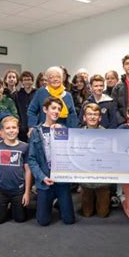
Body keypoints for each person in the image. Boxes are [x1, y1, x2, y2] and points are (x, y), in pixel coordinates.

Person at [28, 97, 75, 226]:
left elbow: (71, 153)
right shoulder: (36, 132)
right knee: (43, 221)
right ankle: (50, 200)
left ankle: (59, 202)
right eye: (53, 108)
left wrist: (62, 132)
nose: (56, 112)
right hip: (45, 179)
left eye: (59, 109)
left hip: (61, 179)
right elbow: (31, 159)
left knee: (69, 220)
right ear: (45, 109)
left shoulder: (63, 129)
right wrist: (42, 177)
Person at [0, 116, 31, 224]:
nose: (11, 130)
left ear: (18, 129)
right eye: (7, 128)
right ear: (2, 130)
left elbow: (28, 171)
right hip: (1, 190)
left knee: (20, 219)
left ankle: (15, 207)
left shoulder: (25, 147)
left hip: (18, 190)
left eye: (14, 127)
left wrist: (27, 193)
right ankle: (5, 207)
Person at [79, 103, 111, 218]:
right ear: (84, 117)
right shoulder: (77, 134)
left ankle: (109, 198)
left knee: (103, 214)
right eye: (89, 114)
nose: (92, 117)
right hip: (86, 180)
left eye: (95, 114)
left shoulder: (108, 135)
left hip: (102, 180)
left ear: (100, 118)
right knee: (86, 214)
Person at [28, 66, 78, 131]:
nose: (55, 79)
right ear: (48, 80)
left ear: (62, 79)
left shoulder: (68, 95)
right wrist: (31, 127)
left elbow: (72, 115)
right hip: (44, 130)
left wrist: (72, 130)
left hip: (62, 131)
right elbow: (32, 111)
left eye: (58, 77)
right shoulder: (41, 92)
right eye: (52, 77)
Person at [0, 78, 18, 146]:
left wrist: (10, 129)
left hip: (10, 128)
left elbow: (15, 117)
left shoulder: (9, 101)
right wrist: (1, 133)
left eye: (0, 87)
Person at [12, 71, 36, 142]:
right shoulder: (16, 95)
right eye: (25, 80)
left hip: (34, 126)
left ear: (32, 81)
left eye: (29, 79)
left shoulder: (37, 93)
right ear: (22, 82)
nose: (27, 82)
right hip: (22, 127)